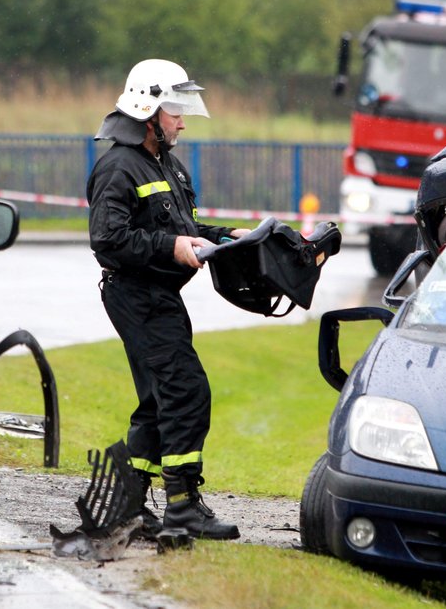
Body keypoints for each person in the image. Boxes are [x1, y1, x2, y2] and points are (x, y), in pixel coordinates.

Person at [87, 59, 248, 540]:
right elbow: (107, 239)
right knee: (185, 391)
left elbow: (182, 230)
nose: (182, 120)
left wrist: (226, 236)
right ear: (147, 110)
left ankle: (130, 504)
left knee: (159, 400)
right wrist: (170, 248)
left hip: (159, 296)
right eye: (175, 110)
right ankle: (182, 508)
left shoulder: (166, 165)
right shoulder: (118, 166)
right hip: (136, 296)